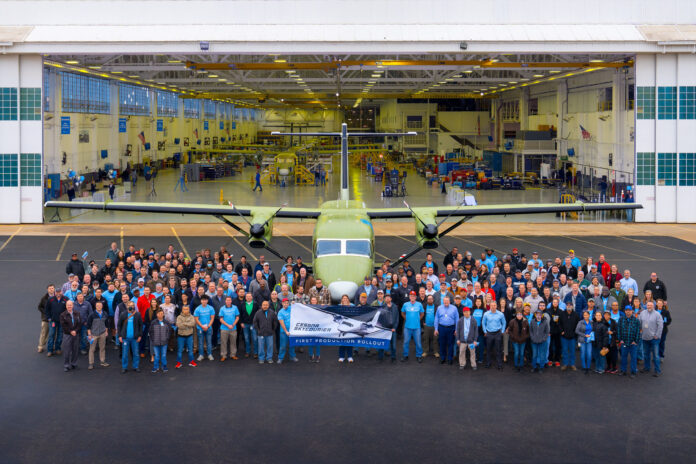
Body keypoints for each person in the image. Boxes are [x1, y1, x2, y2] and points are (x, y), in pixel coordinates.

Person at [639, 301, 664, 377]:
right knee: (646, 354)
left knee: (656, 356)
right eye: (648, 305)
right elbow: (639, 323)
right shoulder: (642, 313)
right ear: (646, 306)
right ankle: (647, 368)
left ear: (654, 306)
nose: (649, 306)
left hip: (654, 339)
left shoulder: (657, 314)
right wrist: (640, 333)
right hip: (645, 338)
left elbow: (660, 326)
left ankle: (657, 370)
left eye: (651, 305)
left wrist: (657, 335)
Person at [118, 301, 142, 373]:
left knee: (136, 354)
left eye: (132, 305)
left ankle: (136, 366)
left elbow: (141, 325)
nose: (131, 306)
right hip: (125, 338)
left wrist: (140, 335)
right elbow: (119, 325)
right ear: (127, 306)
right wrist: (120, 336)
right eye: (129, 305)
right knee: (125, 354)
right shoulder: (123, 314)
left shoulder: (137, 314)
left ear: (134, 306)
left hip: (135, 338)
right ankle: (124, 367)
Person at [434, 296, 459, 365]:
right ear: (443, 301)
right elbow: (436, 318)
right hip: (441, 328)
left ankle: (450, 358)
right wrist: (436, 329)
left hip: (451, 328)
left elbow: (457, 319)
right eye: (444, 301)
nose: (446, 302)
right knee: (442, 343)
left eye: (447, 301)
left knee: (451, 343)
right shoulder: (439, 308)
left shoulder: (454, 308)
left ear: (450, 301)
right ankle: (442, 358)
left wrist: (456, 329)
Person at [617, 306, 641, 378]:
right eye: (626, 310)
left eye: (629, 310)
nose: (628, 312)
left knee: (633, 358)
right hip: (624, 342)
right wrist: (620, 339)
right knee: (623, 357)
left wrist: (635, 341)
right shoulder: (621, 319)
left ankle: (633, 371)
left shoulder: (636, 320)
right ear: (624, 311)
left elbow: (637, 332)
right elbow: (619, 330)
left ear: (632, 311)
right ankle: (623, 370)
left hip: (632, 343)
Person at [401, 291, 424, 363]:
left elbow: (422, 313)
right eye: (411, 296)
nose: (412, 297)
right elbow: (402, 312)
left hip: (417, 327)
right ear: (409, 297)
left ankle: (419, 356)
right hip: (407, 327)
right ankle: (405, 355)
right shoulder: (405, 304)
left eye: (413, 296)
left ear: (415, 297)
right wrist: (406, 318)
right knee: (406, 342)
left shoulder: (419, 304)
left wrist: (418, 319)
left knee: (418, 343)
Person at [482, 301, 506, 370]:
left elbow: (504, 323)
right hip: (489, 333)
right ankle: (488, 363)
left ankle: (499, 364)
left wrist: (503, 331)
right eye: (492, 305)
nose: (493, 306)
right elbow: (483, 323)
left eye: (494, 305)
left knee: (498, 350)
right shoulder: (486, 314)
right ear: (489, 306)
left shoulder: (500, 314)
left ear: (496, 306)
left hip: (498, 333)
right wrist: (485, 331)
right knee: (488, 349)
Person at [253, 300, 278, 364]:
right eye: (264, 305)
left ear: (268, 305)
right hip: (261, 333)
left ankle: (269, 358)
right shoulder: (258, 313)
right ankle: (261, 358)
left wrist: (273, 329)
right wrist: (258, 330)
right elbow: (255, 322)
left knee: (270, 346)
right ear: (261, 305)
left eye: (266, 305)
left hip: (270, 333)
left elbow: (275, 321)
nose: (265, 306)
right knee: (261, 347)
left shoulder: (272, 313)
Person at [59, 300, 81, 372]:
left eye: (70, 305)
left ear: (73, 305)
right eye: (68, 305)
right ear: (66, 306)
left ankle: (74, 363)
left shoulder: (77, 313)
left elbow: (79, 324)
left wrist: (76, 331)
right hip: (67, 335)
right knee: (67, 350)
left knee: (75, 349)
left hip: (76, 334)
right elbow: (63, 326)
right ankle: (66, 365)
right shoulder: (63, 315)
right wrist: (71, 331)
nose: (69, 306)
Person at [86, 301, 109, 370]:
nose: (99, 307)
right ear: (95, 306)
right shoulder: (92, 315)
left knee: (102, 348)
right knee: (92, 349)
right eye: (97, 305)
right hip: (93, 334)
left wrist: (106, 332)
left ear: (102, 306)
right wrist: (89, 334)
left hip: (102, 333)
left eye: (100, 305)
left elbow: (106, 324)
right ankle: (91, 363)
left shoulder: (105, 314)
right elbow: (88, 326)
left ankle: (102, 361)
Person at [377, 294, 399, 363]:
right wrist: (382, 328)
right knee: (382, 344)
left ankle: (393, 358)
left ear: (391, 299)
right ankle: (380, 357)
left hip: (392, 329)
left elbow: (397, 318)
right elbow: (380, 318)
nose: (387, 299)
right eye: (385, 298)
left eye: (388, 298)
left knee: (393, 345)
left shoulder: (395, 307)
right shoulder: (382, 307)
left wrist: (394, 327)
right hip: (384, 329)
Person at [149, 308, 172, 373]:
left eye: (162, 313)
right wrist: (153, 339)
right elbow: (150, 332)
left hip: (164, 342)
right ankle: (155, 367)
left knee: (164, 355)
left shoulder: (166, 322)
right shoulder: (153, 322)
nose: (160, 315)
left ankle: (164, 366)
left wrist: (167, 338)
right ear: (156, 315)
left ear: (163, 314)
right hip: (155, 343)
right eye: (159, 314)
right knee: (156, 356)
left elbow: (169, 331)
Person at [455, 306, 478, 370]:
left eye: (467, 312)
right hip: (463, 340)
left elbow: (476, 331)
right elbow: (458, 330)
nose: (466, 313)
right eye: (465, 312)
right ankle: (462, 364)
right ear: (463, 313)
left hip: (471, 340)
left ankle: (473, 365)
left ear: (470, 312)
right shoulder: (460, 320)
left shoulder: (473, 320)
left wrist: (475, 340)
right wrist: (458, 339)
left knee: (472, 353)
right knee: (461, 352)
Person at [194, 295, 215, 361]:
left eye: (205, 300)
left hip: (209, 328)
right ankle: (201, 355)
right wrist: (202, 326)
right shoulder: (197, 309)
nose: (204, 301)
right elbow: (196, 319)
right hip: (200, 328)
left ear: (207, 301)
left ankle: (209, 354)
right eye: (203, 300)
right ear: (201, 301)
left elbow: (212, 318)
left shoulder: (211, 308)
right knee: (200, 342)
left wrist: (208, 326)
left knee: (209, 342)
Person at [559, 302, 580, 371]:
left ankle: (572, 364)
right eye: (567, 305)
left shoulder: (576, 315)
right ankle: (565, 364)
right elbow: (559, 323)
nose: (569, 306)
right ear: (566, 306)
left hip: (572, 337)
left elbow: (578, 325)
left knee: (572, 351)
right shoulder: (562, 314)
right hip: (564, 336)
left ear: (572, 306)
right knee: (564, 351)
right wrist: (561, 331)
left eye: (570, 305)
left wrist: (575, 333)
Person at [219, 296, 240, 362]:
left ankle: (233, 355)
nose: (228, 301)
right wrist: (228, 325)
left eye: (229, 300)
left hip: (233, 328)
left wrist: (233, 325)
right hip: (224, 329)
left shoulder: (235, 307)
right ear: (225, 301)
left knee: (233, 342)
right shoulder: (222, 308)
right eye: (227, 300)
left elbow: (237, 317)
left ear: (231, 301)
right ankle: (223, 355)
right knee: (223, 343)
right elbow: (221, 319)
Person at [529, 308, 550, 373]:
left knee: (542, 355)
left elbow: (547, 332)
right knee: (534, 355)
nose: (538, 316)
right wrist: (532, 338)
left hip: (542, 342)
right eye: (537, 314)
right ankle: (534, 367)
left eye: (540, 314)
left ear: (542, 315)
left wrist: (543, 339)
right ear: (535, 315)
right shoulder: (532, 321)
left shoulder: (545, 322)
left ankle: (541, 367)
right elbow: (530, 331)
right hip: (534, 341)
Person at [277, 298, 297, 364]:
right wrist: (286, 331)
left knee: (292, 344)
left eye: (287, 303)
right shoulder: (280, 312)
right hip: (284, 332)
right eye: (284, 303)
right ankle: (280, 358)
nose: (286, 304)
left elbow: (298, 308)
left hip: (292, 331)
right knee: (283, 345)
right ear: (282, 303)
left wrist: (294, 304)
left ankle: (292, 356)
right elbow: (281, 323)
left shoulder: (291, 308)